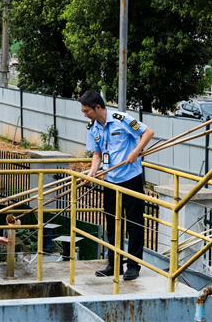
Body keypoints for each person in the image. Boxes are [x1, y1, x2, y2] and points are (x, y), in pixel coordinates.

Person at [79, 90, 154, 281]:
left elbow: (148, 132)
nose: (85, 114)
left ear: (98, 107)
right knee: (112, 222)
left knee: (134, 223)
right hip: (110, 179)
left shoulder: (122, 119)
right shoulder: (93, 127)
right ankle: (114, 264)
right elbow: (96, 154)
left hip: (130, 177)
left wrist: (136, 151)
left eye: (86, 111)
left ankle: (133, 266)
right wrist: (92, 171)